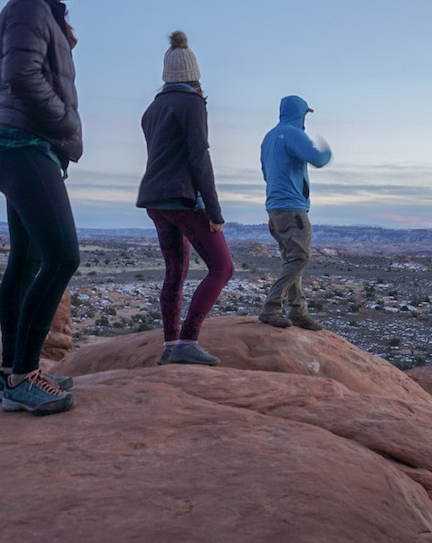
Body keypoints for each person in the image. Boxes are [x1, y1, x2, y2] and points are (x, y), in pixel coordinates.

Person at [0, 0, 81, 416]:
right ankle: (23, 375)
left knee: (24, 262)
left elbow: (17, 74)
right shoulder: (30, 10)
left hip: (18, 148)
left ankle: (9, 375)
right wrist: (63, 120)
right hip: (23, 148)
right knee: (62, 256)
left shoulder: (36, 11)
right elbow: (22, 74)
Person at [137, 31, 234, 366]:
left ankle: (169, 345)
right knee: (222, 267)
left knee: (175, 271)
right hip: (181, 199)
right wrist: (214, 210)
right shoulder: (192, 103)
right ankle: (188, 340)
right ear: (194, 74)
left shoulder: (152, 109)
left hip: (154, 199)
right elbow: (199, 158)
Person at [258, 96, 332, 330]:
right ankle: (272, 307)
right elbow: (318, 158)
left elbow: (265, 171)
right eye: (305, 114)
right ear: (301, 113)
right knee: (301, 258)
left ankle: (298, 311)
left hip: (275, 207)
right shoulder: (292, 133)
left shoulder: (269, 137)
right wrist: (326, 150)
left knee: (292, 259)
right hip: (292, 207)